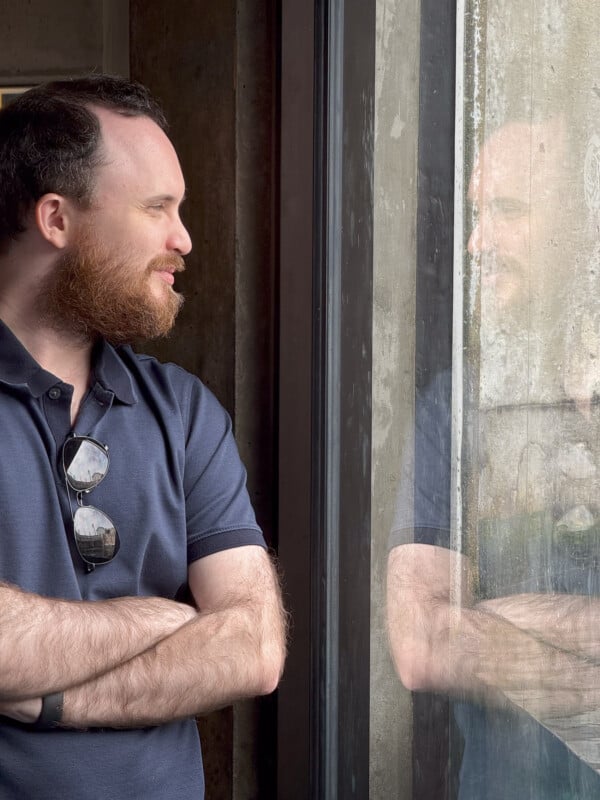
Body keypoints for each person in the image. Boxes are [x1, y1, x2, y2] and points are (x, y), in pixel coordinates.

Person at [0, 74, 286, 799]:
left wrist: (54, 699)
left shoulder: (184, 410)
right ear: (56, 219)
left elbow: (254, 646)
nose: (183, 240)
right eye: (158, 209)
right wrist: (158, 621)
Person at [387, 116, 600, 798]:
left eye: (508, 212)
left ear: (584, 226)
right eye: (477, 215)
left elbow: (454, 632)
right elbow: (421, 644)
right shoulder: (456, 406)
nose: (477, 243)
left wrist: (493, 615)